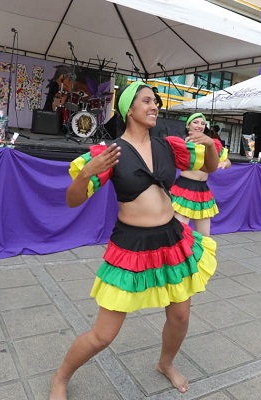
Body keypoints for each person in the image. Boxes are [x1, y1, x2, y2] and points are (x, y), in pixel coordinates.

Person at [50, 81, 219, 398]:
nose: (154, 105)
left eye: (155, 101)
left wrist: (209, 145)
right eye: (146, 101)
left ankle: (165, 363)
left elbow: (210, 166)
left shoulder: (168, 145)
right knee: (103, 335)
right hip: (132, 245)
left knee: (180, 316)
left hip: (172, 239)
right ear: (128, 109)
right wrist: (87, 173)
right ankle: (61, 376)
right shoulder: (110, 153)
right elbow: (72, 200)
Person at [170, 113, 230, 237]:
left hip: (202, 191)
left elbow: (228, 161)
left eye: (202, 123)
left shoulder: (210, 145)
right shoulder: (182, 144)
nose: (200, 126)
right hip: (184, 189)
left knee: (204, 236)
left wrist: (224, 163)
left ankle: (201, 256)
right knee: (179, 233)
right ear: (188, 126)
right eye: (195, 122)